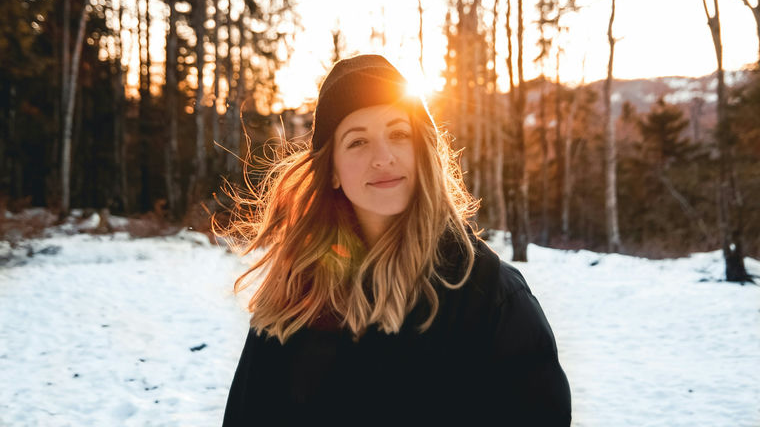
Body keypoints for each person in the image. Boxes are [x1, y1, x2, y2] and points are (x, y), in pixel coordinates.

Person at [219, 54, 571, 426]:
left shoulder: (491, 297)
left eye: (399, 134)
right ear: (332, 170)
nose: (383, 157)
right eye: (357, 142)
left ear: (423, 151)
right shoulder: (296, 296)